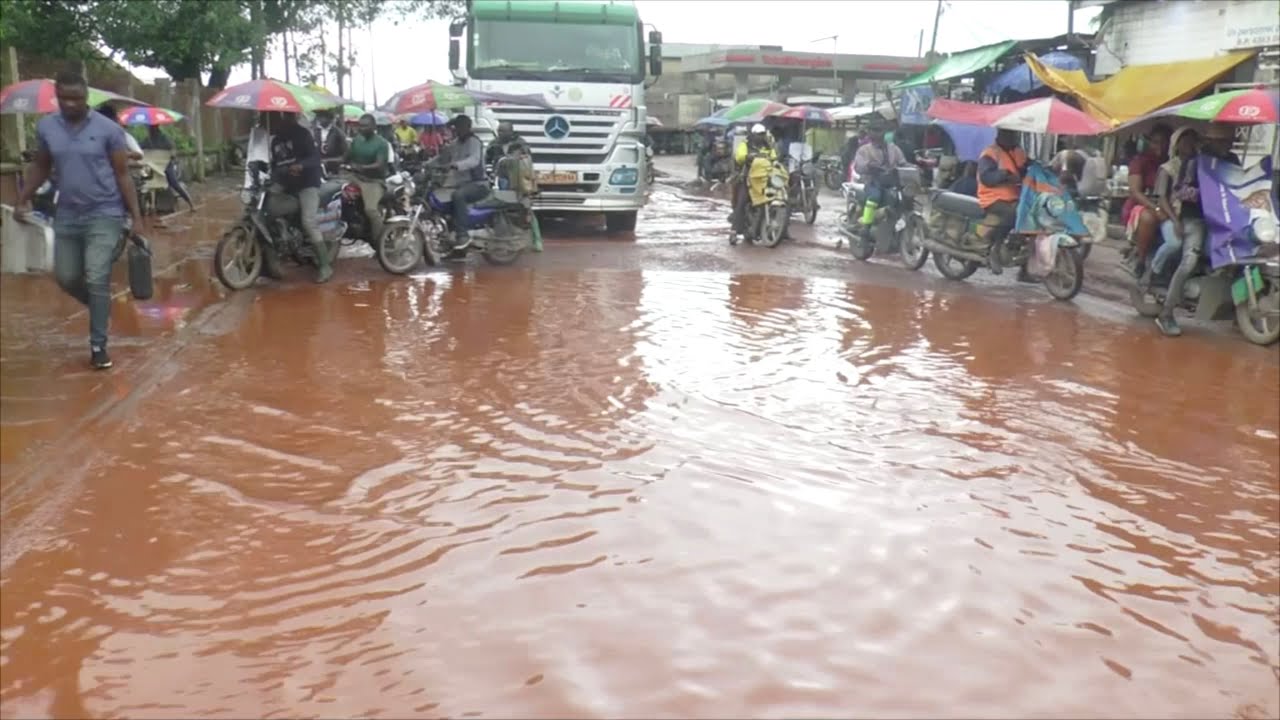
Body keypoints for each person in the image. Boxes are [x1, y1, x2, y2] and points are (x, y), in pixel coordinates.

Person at [15, 71, 145, 370]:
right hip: (68, 214)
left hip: (105, 212)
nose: (71, 104)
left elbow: (123, 174)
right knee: (66, 277)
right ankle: (99, 304)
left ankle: (98, 346)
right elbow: (41, 166)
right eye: (65, 98)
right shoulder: (47, 127)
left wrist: (136, 218)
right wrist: (24, 197)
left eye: (77, 98)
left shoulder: (108, 130)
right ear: (57, 97)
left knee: (97, 274)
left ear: (87, 98)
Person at [1155, 124, 1240, 337]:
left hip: (1225, 220)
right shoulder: (1194, 163)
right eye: (1221, 140)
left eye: (1229, 141)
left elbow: (1241, 187)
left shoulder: (1233, 162)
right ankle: (1166, 313)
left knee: (1241, 254)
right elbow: (1180, 191)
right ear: (1210, 141)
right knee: (1189, 261)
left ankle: (1237, 309)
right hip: (1195, 219)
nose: (1226, 144)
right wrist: (1203, 192)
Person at [268, 110, 332, 283]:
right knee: (267, 209)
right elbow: (275, 165)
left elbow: (315, 158)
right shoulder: (275, 140)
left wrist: (301, 166)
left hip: (307, 183)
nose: (283, 120)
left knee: (308, 221)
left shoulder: (303, 135)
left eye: (288, 116)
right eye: (281, 117)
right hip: (286, 182)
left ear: (294, 118)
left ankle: (325, 266)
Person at [1121, 123, 1173, 276]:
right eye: (1156, 142)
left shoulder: (1174, 162)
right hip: (1141, 206)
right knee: (1149, 218)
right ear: (1150, 142)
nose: (1161, 147)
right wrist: (1156, 208)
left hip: (1167, 205)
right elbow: (1136, 192)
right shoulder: (1140, 161)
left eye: (1165, 143)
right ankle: (1141, 261)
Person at [1148, 127, 1200, 279]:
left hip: (1193, 217)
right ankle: (1153, 271)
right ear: (1176, 145)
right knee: (1174, 244)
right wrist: (1175, 221)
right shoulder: (1167, 168)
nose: (1190, 146)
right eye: (1185, 142)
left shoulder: (1200, 166)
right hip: (1172, 215)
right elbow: (1162, 198)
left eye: (1193, 142)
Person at [432, 114, 487, 247]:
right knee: (439, 194)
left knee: (458, 196)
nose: (457, 129)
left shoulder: (474, 142)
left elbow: (474, 160)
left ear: (468, 127)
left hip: (477, 184)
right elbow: (442, 158)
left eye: (460, 126)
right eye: (456, 127)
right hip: (459, 183)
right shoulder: (455, 143)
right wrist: (427, 164)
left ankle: (462, 235)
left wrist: (456, 165)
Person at [851, 120, 908, 238]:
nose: (877, 134)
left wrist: (914, 167)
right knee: (875, 196)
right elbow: (858, 166)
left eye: (879, 131)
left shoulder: (894, 149)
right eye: (874, 131)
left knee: (906, 197)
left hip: (891, 182)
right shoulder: (864, 150)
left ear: (884, 132)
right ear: (869, 133)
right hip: (872, 181)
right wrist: (869, 166)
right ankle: (866, 227)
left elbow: (903, 163)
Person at [344, 113, 391, 249]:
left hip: (373, 181)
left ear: (374, 127)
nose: (361, 128)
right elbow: (345, 157)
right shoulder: (356, 140)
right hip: (354, 177)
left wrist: (361, 167)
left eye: (365, 126)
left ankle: (379, 243)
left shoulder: (381, 143)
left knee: (370, 210)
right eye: (360, 126)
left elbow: (379, 164)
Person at [729, 123, 775, 236]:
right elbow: (739, 157)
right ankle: (734, 231)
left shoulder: (768, 146)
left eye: (763, 134)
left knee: (780, 196)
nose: (761, 136)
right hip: (748, 177)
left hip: (765, 177)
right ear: (753, 135)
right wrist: (748, 157)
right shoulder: (744, 144)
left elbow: (774, 157)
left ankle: (783, 230)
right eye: (759, 134)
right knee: (742, 201)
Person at [138, 125, 196, 212]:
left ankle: (190, 202)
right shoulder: (147, 140)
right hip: (153, 166)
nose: (150, 130)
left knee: (173, 182)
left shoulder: (164, 138)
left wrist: (172, 154)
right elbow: (139, 148)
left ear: (156, 128)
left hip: (166, 165)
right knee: (145, 181)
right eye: (149, 128)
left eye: (152, 128)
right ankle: (150, 203)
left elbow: (173, 149)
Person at [313, 108, 347, 177]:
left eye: (323, 116)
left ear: (330, 117)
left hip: (333, 169)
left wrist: (329, 161)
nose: (320, 118)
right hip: (317, 167)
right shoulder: (315, 131)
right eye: (319, 116)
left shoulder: (338, 133)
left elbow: (345, 155)